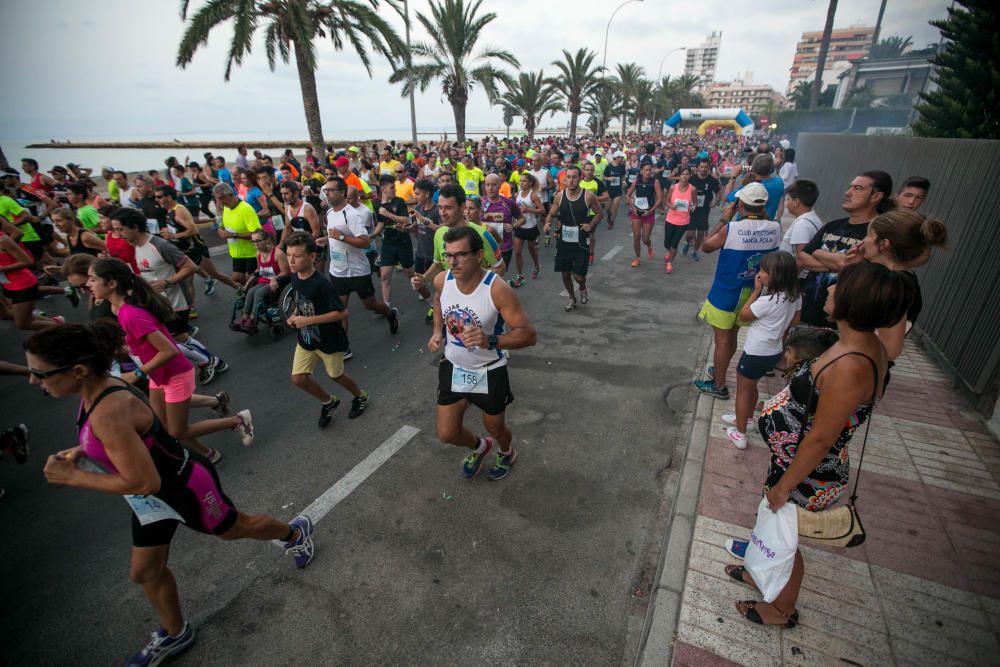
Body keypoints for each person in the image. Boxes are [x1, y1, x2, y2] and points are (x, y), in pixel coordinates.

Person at [30, 322, 314, 667]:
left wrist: (72, 477)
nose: (34, 381)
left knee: (237, 528)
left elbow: (143, 480)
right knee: (145, 571)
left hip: (184, 487)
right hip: (151, 501)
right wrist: (82, 450)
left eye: (40, 374)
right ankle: (175, 631)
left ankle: (295, 533)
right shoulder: (96, 393)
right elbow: (134, 439)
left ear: (77, 371)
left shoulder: (108, 409)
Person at [724, 261, 913, 627]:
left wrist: (785, 485)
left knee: (785, 542)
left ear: (852, 302)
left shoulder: (851, 364)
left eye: (836, 286)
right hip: (791, 462)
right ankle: (757, 574)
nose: (827, 290)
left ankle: (781, 609)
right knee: (770, 527)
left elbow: (822, 437)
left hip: (807, 473)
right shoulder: (857, 344)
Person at [87, 257, 251, 464]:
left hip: (175, 373)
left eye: (92, 280)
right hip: (158, 374)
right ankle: (213, 429)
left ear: (111, 284)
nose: (88, 284)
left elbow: (169, 350)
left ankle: (237, 421)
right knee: (163, 423)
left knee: (176, 431)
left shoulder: (130, 314)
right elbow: (144, 342)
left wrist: (136, 373)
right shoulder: (117, 309)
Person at [428, 226, 537, 481]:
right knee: (447, 433)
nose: (452, 262)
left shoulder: (496, 289)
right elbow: (437, 300)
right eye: (448, 255)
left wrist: (491, 340)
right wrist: (437, 331)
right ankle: (480, 447)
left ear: (478, 255)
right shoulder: (443, 279)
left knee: (495, 426)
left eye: (460, 255)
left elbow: (528, 334)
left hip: (489, 371)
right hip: (454, 366)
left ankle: (506, 451)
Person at [110, 209, 228, 386]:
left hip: (176, 301)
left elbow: (190, 267)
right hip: (157, 302)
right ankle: (211, 361)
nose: (118, 235)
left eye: (121, 229)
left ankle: (210, 361)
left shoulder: (160, 245)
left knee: (175, 339)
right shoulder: (138, 246)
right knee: (178, 338)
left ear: (135, 227)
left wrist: (167, 282)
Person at [694, 183, 782, 399]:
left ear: (741, 203)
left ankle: (719, 384)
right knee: (732, 335)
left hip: (726, 292)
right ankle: (720, 370)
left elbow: (705, 246)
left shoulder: (731, 228)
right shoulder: (775, 227)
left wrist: (725, 219)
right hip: (752, 292)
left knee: (722, 339)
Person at [284, 231, 370, 427]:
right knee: (298, 379)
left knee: (336, 375)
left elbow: (342, 313)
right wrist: (295, 315)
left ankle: (360, 395)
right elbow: (300, 301)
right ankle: (328, 402)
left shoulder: (322, 284)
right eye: (289, 255)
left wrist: (308, 320)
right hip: (306, 339)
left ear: (312, 257)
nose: (291, 260)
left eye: (296, 256)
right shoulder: (295, 276)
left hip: (329, 340)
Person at [722, 251, 801, 449]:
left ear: (775, 276)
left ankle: (740, 434)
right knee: (752, 386)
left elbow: (745, 315)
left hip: (756, 351)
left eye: (763, 271)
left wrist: (756, 291)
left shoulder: (768, 300)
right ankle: (747, 418)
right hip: (774, 350)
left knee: (742, 391)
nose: (759, 273)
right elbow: (796, 319)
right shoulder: (794, 295)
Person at [795, 171, 893, 328]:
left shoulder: (877, 234)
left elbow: (862, 269)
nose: (848, 193)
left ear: (876, 197)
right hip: (806, 316)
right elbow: (803, 257)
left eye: (858, 188)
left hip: (844, 326)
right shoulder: (833, 226)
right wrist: (837, 264)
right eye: (850, 187)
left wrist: (820, 253)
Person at [851, 209, 947, 360]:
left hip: (860, 370)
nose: (864, 240)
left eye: (869, 235)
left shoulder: (895, 287)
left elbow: (890, 349)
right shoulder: (890, 278)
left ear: (884, 244)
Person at [321, 176, 400, 347]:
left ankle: (390, 314)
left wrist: (341, 237)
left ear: (341, 192)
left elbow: (365, 241)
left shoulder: (352, 215)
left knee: (370, 304)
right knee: (340, 310)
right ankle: (343, 346)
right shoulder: (329, 212)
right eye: (325, 190)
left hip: (357, 271)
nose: (327, 193)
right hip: (338, 271)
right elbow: (333, 235)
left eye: (330, 190)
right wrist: (324, 239)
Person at [156, 186, 239, 296]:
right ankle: (192, 309)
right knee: (187, 281)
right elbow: (184, 225)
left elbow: (193, 230)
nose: (157, 199)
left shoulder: (179, 210)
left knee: (215, 274)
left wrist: (173, 235)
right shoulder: (169, 211)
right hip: (185, 251)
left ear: (169, 197)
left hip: (196, 249)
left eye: (159, 197)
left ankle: (239, 288)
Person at [0, 225, 60, 330]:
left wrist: (2, 268)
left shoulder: (3, 240)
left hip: (22, 284)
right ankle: (55, 324)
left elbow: (27, 261)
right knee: (8, 315)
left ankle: (66, 329)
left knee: (23, 323)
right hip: (8, 284)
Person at [233, 230, 289, 334]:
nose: (256, 244)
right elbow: (259, 270)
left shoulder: (278, 254)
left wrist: (275, 278)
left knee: (258, 293)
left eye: (258, 241)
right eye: (253, 241)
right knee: (250, 292)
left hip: (277, 283)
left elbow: (286, 272)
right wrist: (249, 280)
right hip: (263, 281)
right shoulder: (258, 254)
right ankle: (245, 318)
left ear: (266, 240)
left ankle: (253, 321)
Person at [213, 182, 263, 284]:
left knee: (251, 281)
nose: (220, 202)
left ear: (231, 194)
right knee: (237, 279)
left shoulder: (246, 209)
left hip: (251, 253)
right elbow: (224, 226)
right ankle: (246, 294)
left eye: (222, 198)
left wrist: (233, 235)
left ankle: (253, 296)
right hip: (237, 253)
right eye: (218, 199)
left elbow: (258, 234)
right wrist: (221, 229)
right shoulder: (226, 208)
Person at [481, 173, 521, 274]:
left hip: (504, 248)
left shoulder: (509, 203)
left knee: (499, 276)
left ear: (500, 186)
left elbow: (521, 219)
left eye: (494, 185)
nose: (490, 188)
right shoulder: (480, 203)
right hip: (484, 248)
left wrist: (513, 226)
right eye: (487, 185)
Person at [682, 158, 721, 262]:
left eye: (706, 167)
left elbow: (718, 193)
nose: (703, 169)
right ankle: (687, 243)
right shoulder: (692, 179)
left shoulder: (712, 181)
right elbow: (684, 190)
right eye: (701, 167)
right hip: (691, 210)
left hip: (704, 211)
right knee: (689, 234)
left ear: (709, 168)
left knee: (700, 234)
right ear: (698, 167)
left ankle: (694, 252)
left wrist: (714, 202)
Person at [626, 160, 662, 267]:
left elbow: (660, 199)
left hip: (648, 213)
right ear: (641, 171)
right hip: (636, 212)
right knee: (636, 236)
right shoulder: (637, 181)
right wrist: (632, 208)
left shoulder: (655, 182)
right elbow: (627, 195)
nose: (648, 172)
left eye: (650, 170)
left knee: (645, 238)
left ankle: (649, 246)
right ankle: (637, 258)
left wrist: (650, 211)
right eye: (646, 170)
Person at [662, 166, 697, 274]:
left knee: (674, 243)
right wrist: (670, 206)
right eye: (682, 174)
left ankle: (670, 263)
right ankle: (668, 252)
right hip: (671, 218)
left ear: (690, 176)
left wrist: (692, 207)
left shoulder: (693, 189)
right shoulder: (673, 187)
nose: (685, 176)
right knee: (667, 243)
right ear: (679, 176)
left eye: (687, 174)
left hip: (683, 221)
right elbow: (666, 201)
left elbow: (695, 203)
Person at [777, 180, 822, 261]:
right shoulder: (814, 217)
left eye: (788, 199)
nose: (786, 203)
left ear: (796, 202)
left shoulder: (801, 225)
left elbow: (801, 259)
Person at [511, 171, 543, 286]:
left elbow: (542, 210)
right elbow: (516, 209)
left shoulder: (533, 195)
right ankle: (519, 276)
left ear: (530, 183)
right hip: (520, 226)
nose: (521, 183)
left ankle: (536, 266)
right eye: (520, 181)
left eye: (524, 181)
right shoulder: (517, 194)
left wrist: (528, 209)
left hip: (530, 227)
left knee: (531, 250)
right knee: (518, 252)